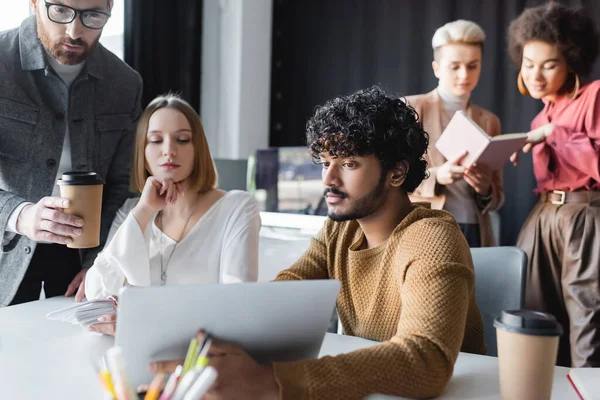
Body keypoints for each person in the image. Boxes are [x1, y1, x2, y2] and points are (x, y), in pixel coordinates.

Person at [151, 86, 486, 399]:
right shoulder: (340, 231)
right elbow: (287, 290)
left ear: (396, 173)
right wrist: (198, 338)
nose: (328, 178)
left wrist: (270, 381)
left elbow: (426, 360)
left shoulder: (432, 237)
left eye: (349, 163)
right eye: (326, 163)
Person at [0, 0, 142, 306]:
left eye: (93, 15)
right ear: (35, 3)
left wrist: (100, 260)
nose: (74, 30)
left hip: (81, 266)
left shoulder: (126, 84)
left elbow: (121, 186)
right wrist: (19, 215)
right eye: (61, 11)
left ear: (111, 8)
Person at [85, 94, 260, 334]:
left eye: (182, 139)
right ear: (143, 155)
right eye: (156, 140)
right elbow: (97, 294)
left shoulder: (237, 208)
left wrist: (141, 321)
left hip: (200, 358)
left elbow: (238, 302)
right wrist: (144, 211)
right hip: (132, 353)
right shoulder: (131, 211)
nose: (169, 151)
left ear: (197, 149)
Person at [508, 3, 600, 368]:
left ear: (571, 63)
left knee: (587, 314)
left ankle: (588, 391)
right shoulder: (540, 113)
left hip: (584, 215)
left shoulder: (593, 96)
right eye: (529, 64)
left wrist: (552, 133)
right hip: (543, 214)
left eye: (548, 64)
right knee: (535, 313)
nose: (536, 75)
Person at [406, 20, 504, 247]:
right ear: (436, 68)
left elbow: (498, 196)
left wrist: (485, 188)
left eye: (472, 66)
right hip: (427, 226)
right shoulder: (411, 110)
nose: (464, 75)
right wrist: (438, 175)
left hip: (475, 229)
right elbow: (390, 178)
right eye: (455, 66)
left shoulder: (489, 121)